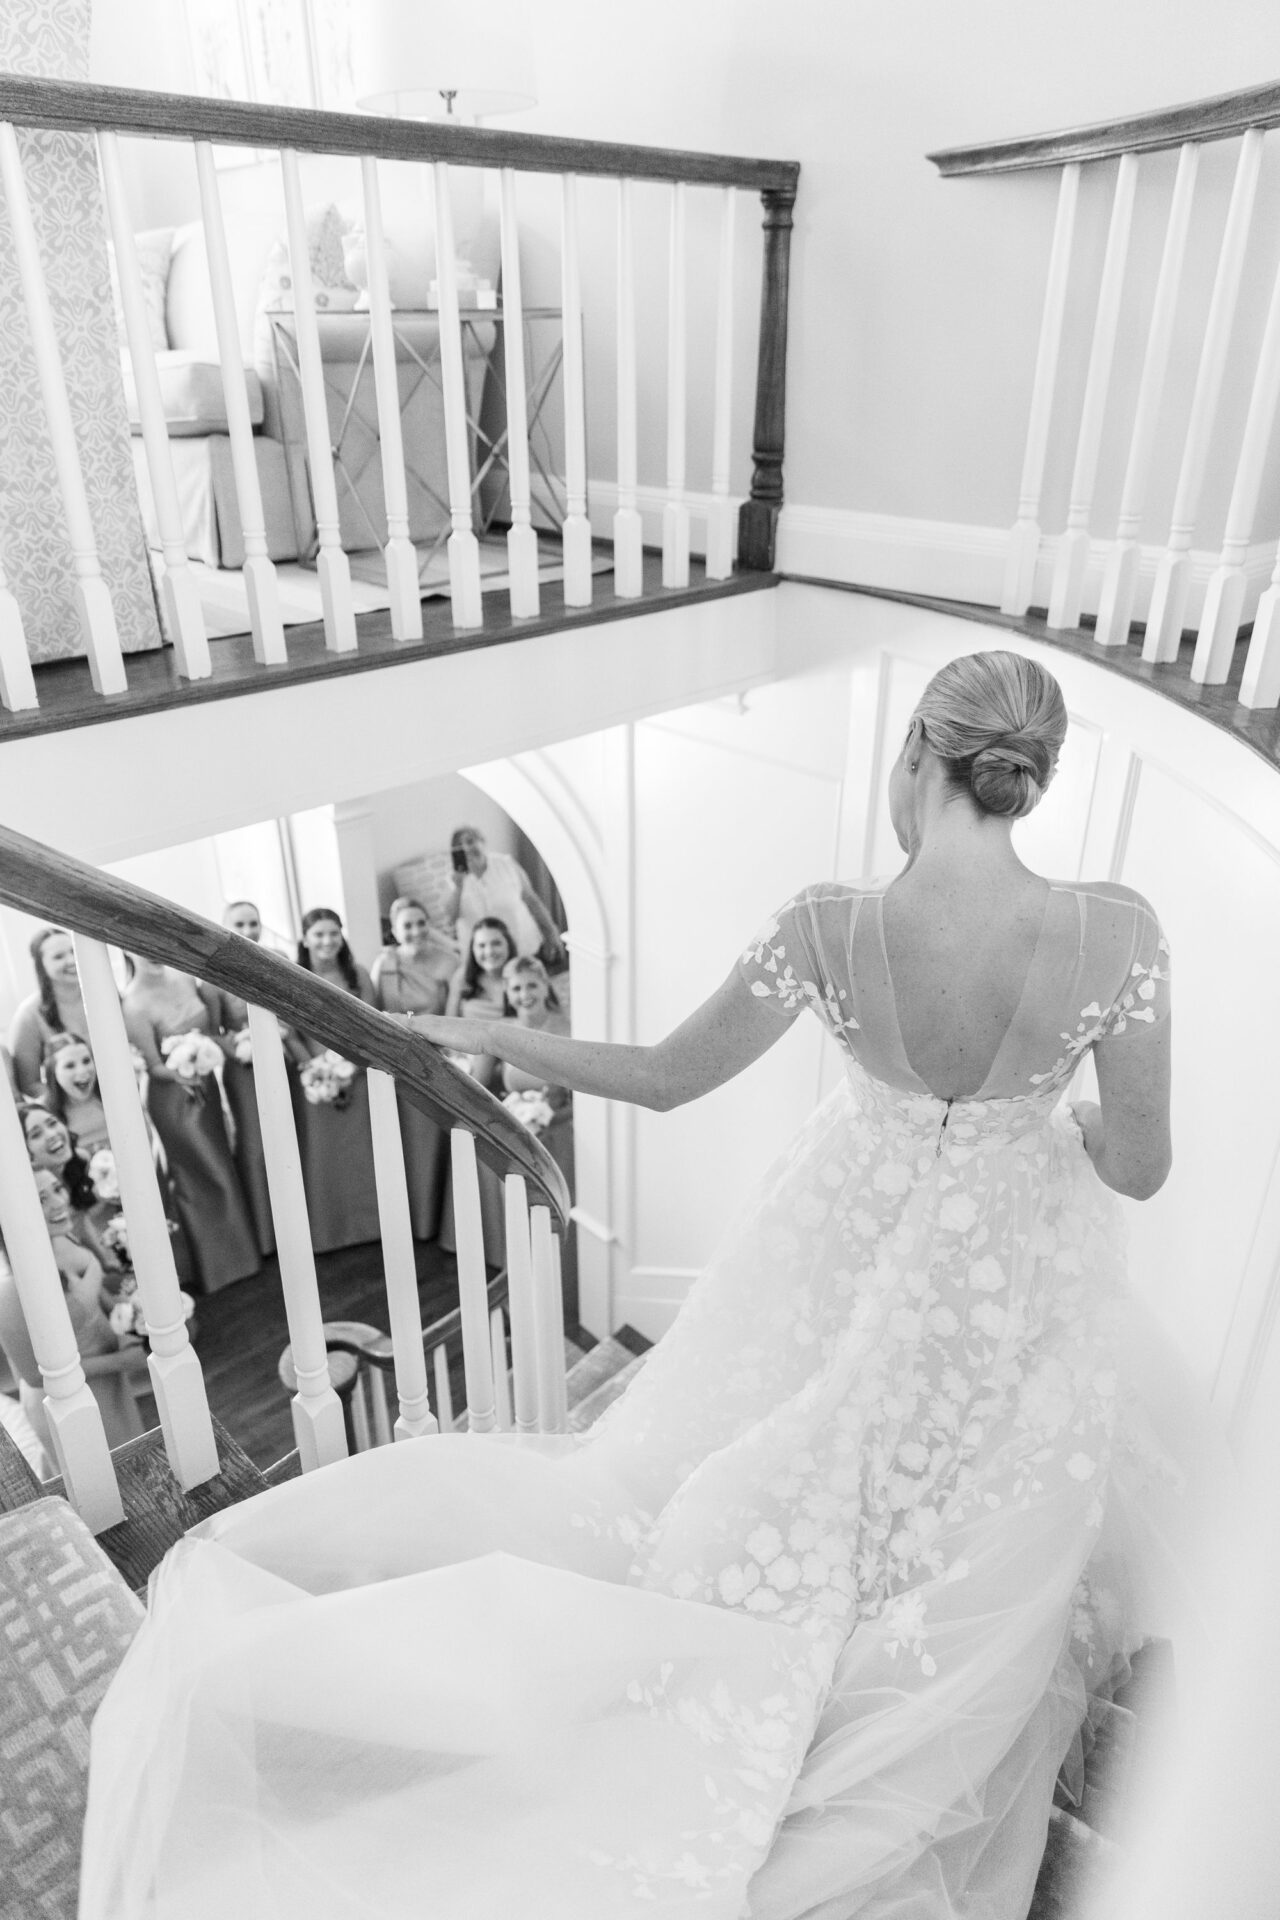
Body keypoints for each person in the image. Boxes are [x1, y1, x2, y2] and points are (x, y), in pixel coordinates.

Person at [80, 650, 1177, 1920]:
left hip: (839, 1242)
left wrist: (493, 1035)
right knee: (957, 1493)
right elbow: (1138, 1168)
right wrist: (1067, 1126)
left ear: (914, 757)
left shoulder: (828, 925)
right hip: (1004, 1269)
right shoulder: (1120, 933)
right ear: (1027, 777)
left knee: (773, 1454)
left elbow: (660, 1079)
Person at [122, 957, 260, 1293]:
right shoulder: (133, 1005)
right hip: (173, 1098)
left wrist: (204, 1056)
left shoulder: (184, 978)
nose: (153, 954)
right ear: (127, 950)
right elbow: (153, 1067)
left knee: (222, 1164)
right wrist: (185, 1069)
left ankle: (244, 1259)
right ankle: (216, 1269)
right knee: (203, 1172)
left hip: (206, 1089)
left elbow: (211, 1030)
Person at [283, 907, 381, 1253]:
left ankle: (371, 1226)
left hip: (358, 1074)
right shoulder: (292, 976)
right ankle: (328, 1233)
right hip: (314, 1079)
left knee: (362, 1152)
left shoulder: (358, 974)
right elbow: (288, 1031)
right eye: (319, 934)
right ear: (305, 939)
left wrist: (352, 1064)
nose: (327, 941)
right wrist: (313, 1067)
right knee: (323, 1154)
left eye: (333, 933)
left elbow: (374, 1025)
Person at [370, 897, 457, 1240]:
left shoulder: (448, 961)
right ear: (394, 931)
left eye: (421, 923)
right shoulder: (384, 964)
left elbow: (454, 1015)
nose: (416, 931)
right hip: (398, 1059)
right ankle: (407, 1219)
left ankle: (436, 1219)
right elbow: (375, 1012)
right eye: (408, 925)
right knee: (406, 1142)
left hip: (439, 1055)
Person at [446, 824, 567, 970]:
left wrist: (551, 932)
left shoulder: (506, 864)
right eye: (459, 846)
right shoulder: (453, 879)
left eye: (470, 841)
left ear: (482, 841)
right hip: (483, 957)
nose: (466, 848)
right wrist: (459, 887)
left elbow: (532, 901)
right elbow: (451, 918)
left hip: (523, 946)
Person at [8, 924, 90, 1098]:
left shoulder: (104, 998)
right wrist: (71, 1101)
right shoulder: (28, 1016)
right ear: (41, 965)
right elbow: (29, 1084)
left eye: (73, 951)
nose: (71, 960)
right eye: (58, 956)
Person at [443, 915, 516, 1090]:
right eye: (481, 945)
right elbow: (449, 1023)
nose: (489, 951)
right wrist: (457, 1058)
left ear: (508, 945)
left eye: (496, 943)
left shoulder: (518, 976)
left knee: (488, 1044)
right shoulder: (463, 977)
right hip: (469, 1054)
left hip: (510, 1053)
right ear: (473, 949)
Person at [41, 1032, 110, 1158]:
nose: (82, 1071)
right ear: (53, 1072)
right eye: (70, 1066)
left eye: (86, 1061)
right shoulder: (42, 1113)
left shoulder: (114, 1097)